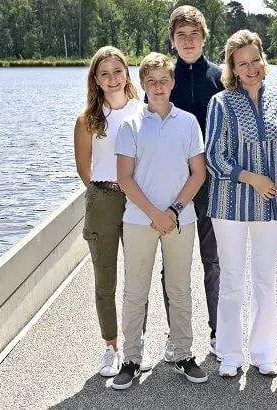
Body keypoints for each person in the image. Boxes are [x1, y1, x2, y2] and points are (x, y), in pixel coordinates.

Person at [112, 52, 208, 389]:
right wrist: (155, 213)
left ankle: (182, 353)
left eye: (163, 80)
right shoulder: (131, 125)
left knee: (180, 288)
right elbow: (125, 178)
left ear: (172, 83)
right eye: (151, 81)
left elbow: (198, 173)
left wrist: (173, 211)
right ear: (142, 85)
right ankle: (132, 359)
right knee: (135, 291)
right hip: (139, 220)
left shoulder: (187, 123)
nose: (158, 86)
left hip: (180, 218)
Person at [205, 30, 277, 378]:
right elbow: (213, 156)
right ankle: (229, 353)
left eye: (255, 59)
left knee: (265, 280)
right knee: (232, 279)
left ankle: (263, 352)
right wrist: (250, 177)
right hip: (229, 206)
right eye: (243, 63)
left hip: (270, 207)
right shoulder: (221, 103)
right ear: (233, 68)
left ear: (262, 59)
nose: (251, 67)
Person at [73, 46, 152, 377]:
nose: (112, 78)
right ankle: (111, 347)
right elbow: (84, 169)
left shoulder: (144, 111)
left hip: (136, 197)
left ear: (126, 72)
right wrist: (105, 193)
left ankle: (136, 346)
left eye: (117, 71)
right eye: (104, 73)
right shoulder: (87, 119)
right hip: (103, 200)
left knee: (137, 277)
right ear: (96, 79)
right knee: (105, 279)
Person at [159, 5, 224, 363]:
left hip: (212, 185)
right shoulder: (164, 80)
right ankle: (177, 333)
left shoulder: (219, 77)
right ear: (172, 40)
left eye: (194, 34)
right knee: (173, 264)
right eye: (181, 35)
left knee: (213, 260)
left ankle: (219, 331)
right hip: (173, 186)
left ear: (204, 38)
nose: (188, 41)